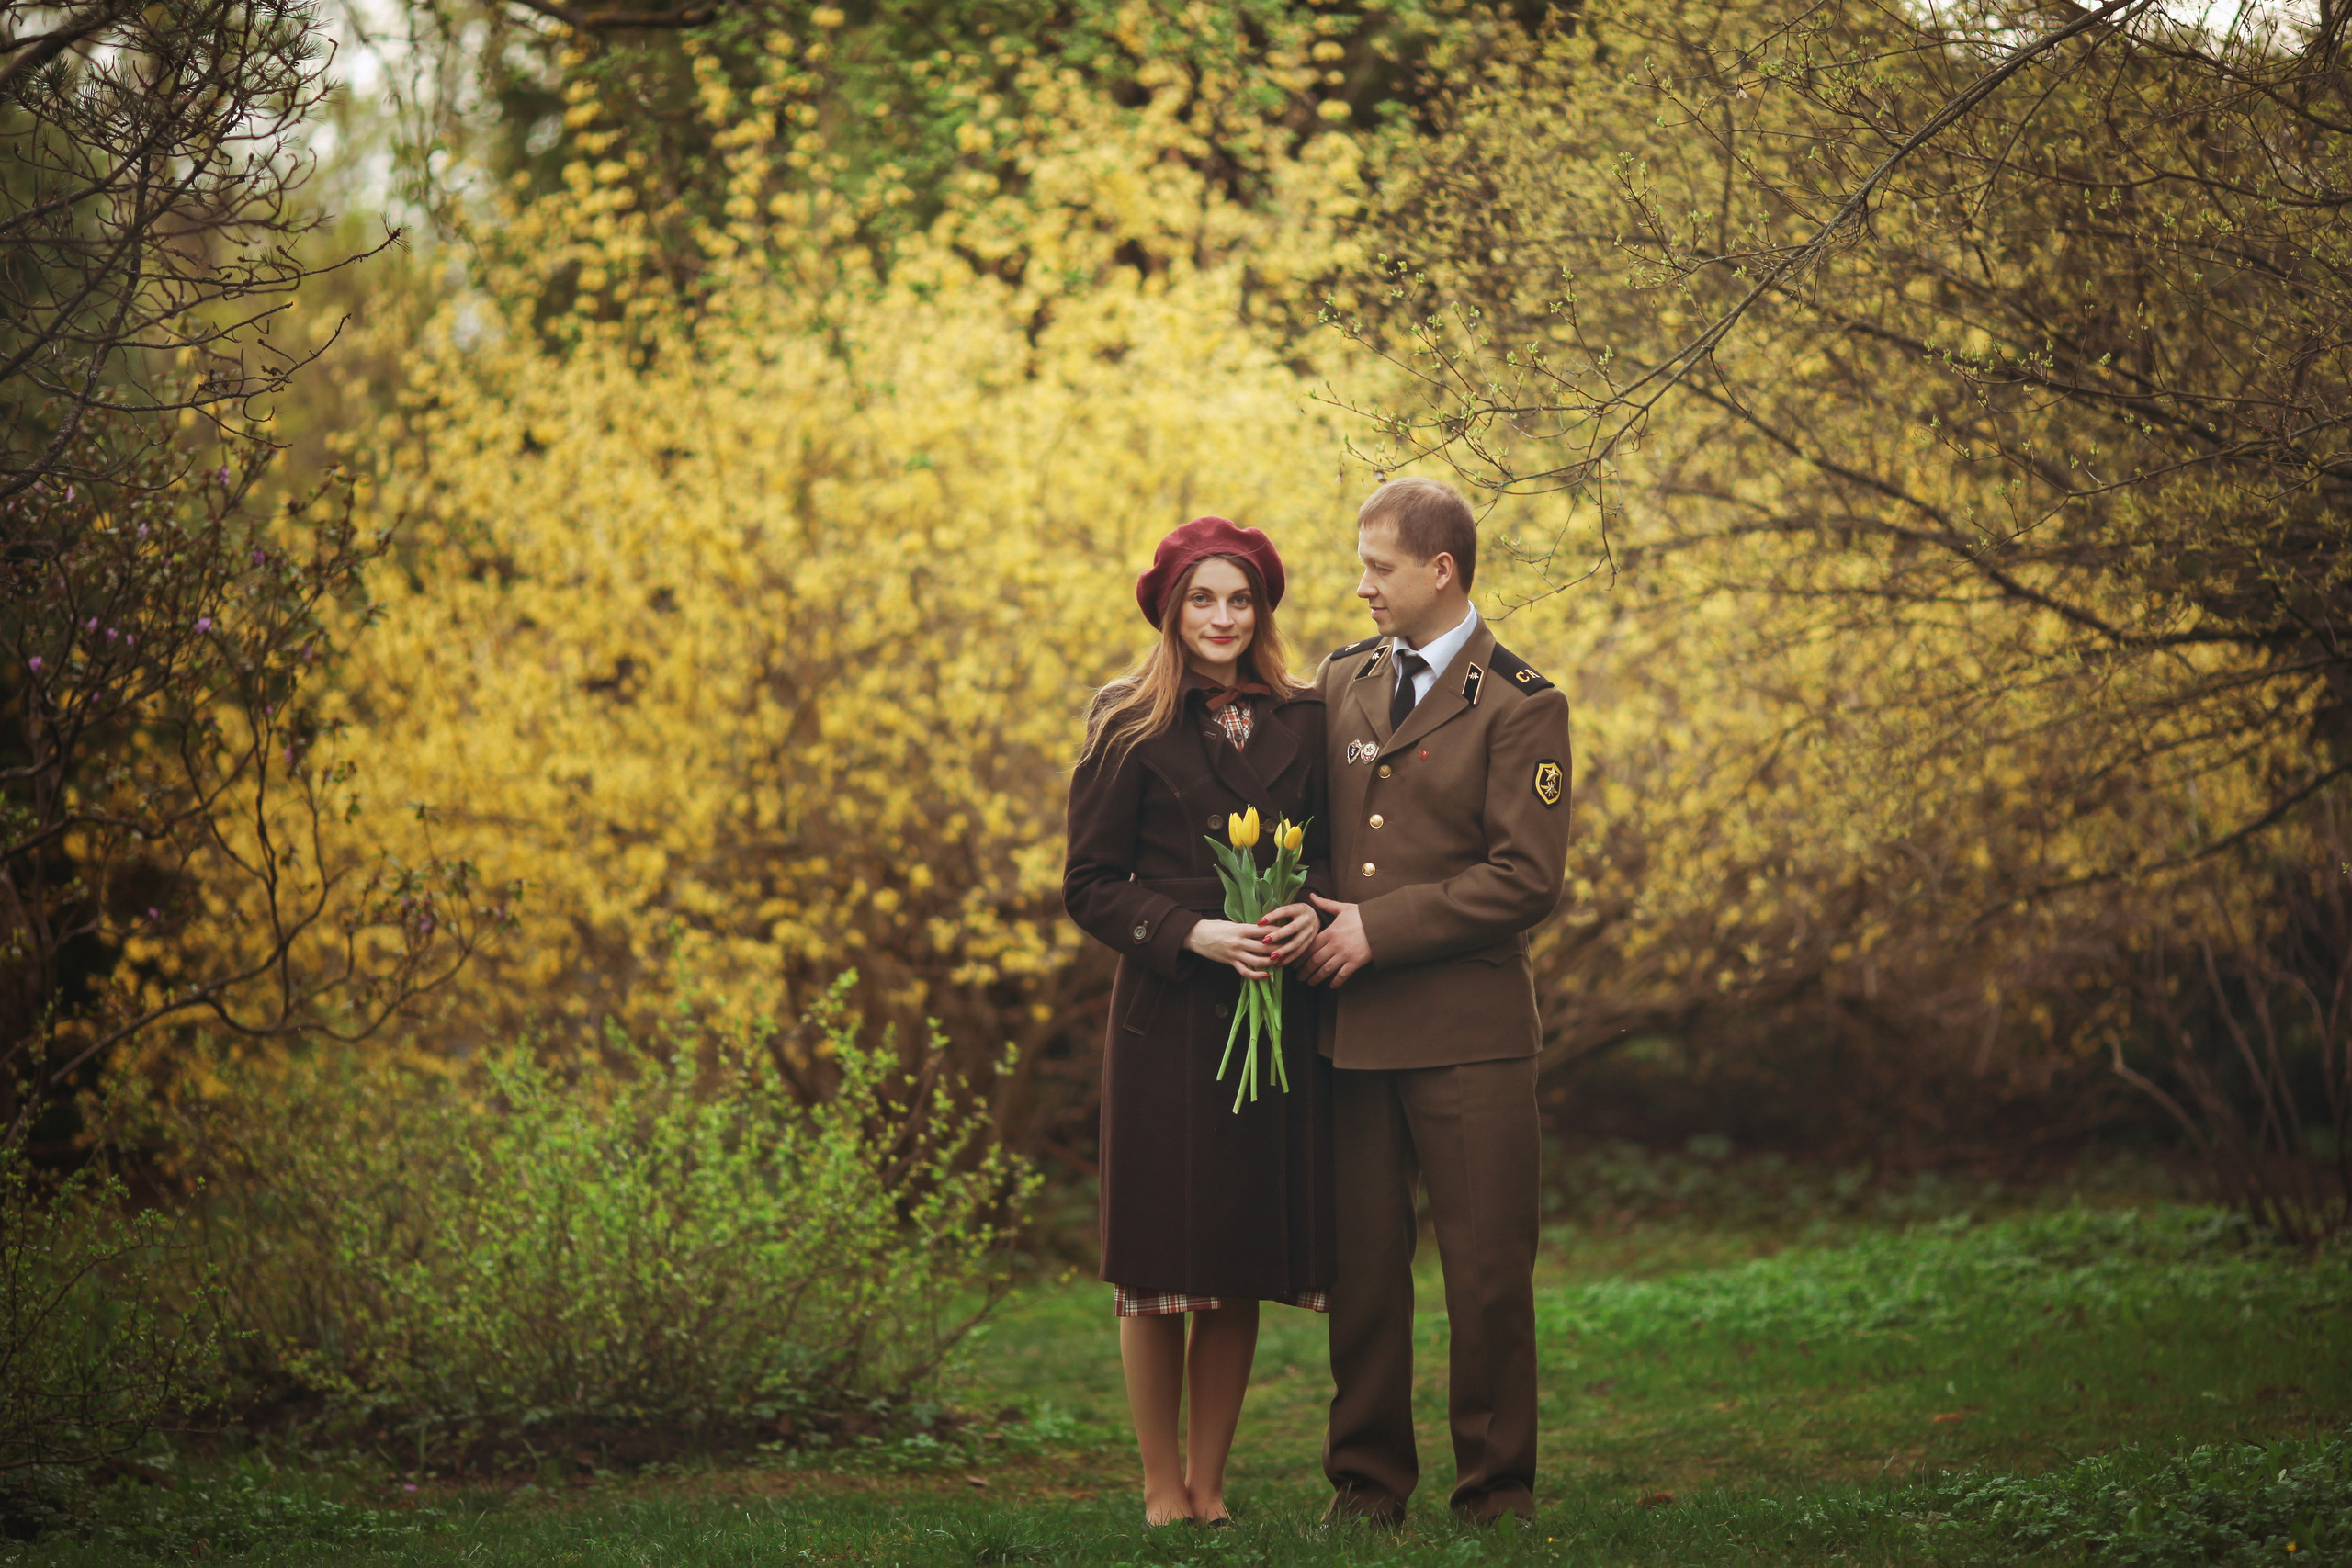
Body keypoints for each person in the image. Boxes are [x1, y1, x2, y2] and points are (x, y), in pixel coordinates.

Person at [1300, 476, 1574, 1527]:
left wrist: (1379, 927)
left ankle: (1496, 1491)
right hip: (1353, 1029)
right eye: (1361, 567)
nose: (1361, 586)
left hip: (1470, 1035)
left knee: (1487, 1274)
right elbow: (1311, 832)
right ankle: (1366, 1486)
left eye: (1378, 568)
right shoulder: (1342, 678)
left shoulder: (1519, 701)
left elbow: (1525, 879)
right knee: (1363, 1276)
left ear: (1440, 570)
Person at [1063, 515, 1338, 1527]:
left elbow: (1332, 855)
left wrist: (1309, 913)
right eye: (1202, 600)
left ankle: (1211, 1485)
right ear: (1171, 610)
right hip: (1167, 1019)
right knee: (1156, 1267)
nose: (1222, 617)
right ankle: (1159, 1486)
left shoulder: (1306, 716)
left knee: (1231, 1259)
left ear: (1261, 609)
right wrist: (1190, 933)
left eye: (1239, 599)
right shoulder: (1125, 720)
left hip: (1273, 1013)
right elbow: (1090, 883)